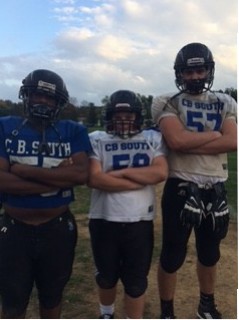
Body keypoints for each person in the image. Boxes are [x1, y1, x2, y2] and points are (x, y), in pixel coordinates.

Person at [151, 42, 237, 319]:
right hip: (181, 187)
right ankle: (167, 311)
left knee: (210, 254)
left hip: (215, 187)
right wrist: (215, 137)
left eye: (200, 70)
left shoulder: (224, 101)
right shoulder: (166, 100)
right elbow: (175, 140)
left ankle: (206, 305)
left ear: (209, 70)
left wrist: (190, 143)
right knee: (173, 255)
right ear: (179, 73)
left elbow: (233, 141)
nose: (195, 76)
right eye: (189, 72)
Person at [0, 69, 92, 318]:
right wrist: (57, 182)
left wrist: (20, 170)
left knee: (52, 297)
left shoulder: (72, 130)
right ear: (26, 96)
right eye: (37, 95)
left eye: (49, 97)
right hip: (14, 228)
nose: (43, 101)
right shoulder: (5, 126)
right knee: (12, 301)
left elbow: (81, 175)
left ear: (58, 103)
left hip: (57, 228)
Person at [87, 90, 168, 319]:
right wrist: (138, 179)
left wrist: (119, 175)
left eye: (128, 114)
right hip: (104, 218)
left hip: (139, 220)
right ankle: (107, 313)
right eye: (118, 114)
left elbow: (160, 172)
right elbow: (95, 179)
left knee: (135, 281)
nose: (123, 120)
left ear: (137, 116)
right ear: (110, 116)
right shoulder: (97, 138)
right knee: (106, 276)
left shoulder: (152, 138)